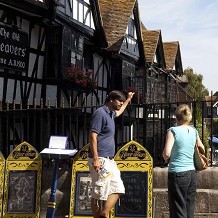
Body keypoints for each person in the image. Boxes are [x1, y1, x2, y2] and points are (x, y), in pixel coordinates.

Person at [88, 90, 134, 218]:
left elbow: (119, 112)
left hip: (110, 160)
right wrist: (96, 159)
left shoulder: (110, 114)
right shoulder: (100, 114)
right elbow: (92, 136)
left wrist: (128, 99)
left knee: (118, 188)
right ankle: (99, 216)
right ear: (111, 100)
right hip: (100, 159)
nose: (121, 103)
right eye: (119, 100)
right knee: (98, 193)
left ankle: (104, 213)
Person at [162, 104, 205, 218]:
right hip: (192, 173)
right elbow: (202, 148)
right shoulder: (194, 131)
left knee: (178, 209)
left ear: (176, 117)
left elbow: (167, 153)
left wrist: (165, 158)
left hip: (177, 173)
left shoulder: (173, 131)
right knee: (189, 206)